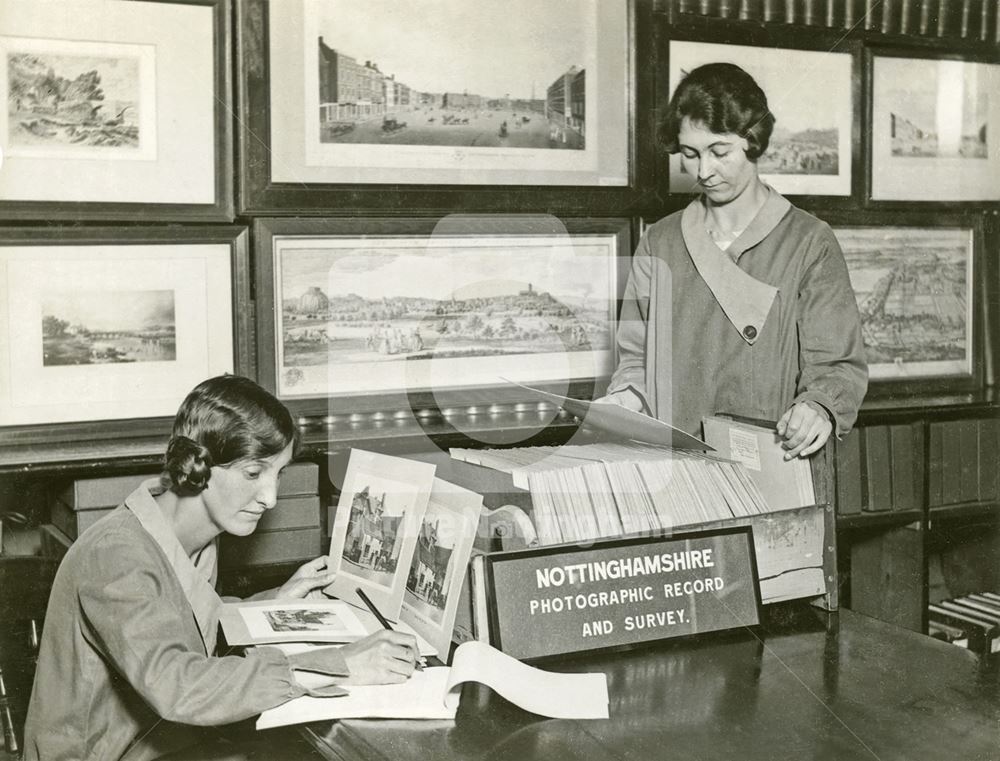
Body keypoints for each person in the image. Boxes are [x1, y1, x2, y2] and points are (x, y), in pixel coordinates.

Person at [23, 375, 418, 761]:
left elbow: (177, 617)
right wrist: (342, 664)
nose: (270, 498)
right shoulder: (117, 556)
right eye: (253, 473)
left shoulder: (187, 535)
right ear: (198, 466)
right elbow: (178, 686)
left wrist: (273, 603)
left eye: (277, 473)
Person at [600, 63, 867, 458]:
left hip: (771, 463)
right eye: (690, 154)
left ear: (753, 140)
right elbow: (635, 356)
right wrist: (626, 399)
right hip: (676, 466)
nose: (704, 171)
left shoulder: (809, 243)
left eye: (719, 152)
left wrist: (817, 407)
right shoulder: (660, 242)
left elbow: (837, 365)